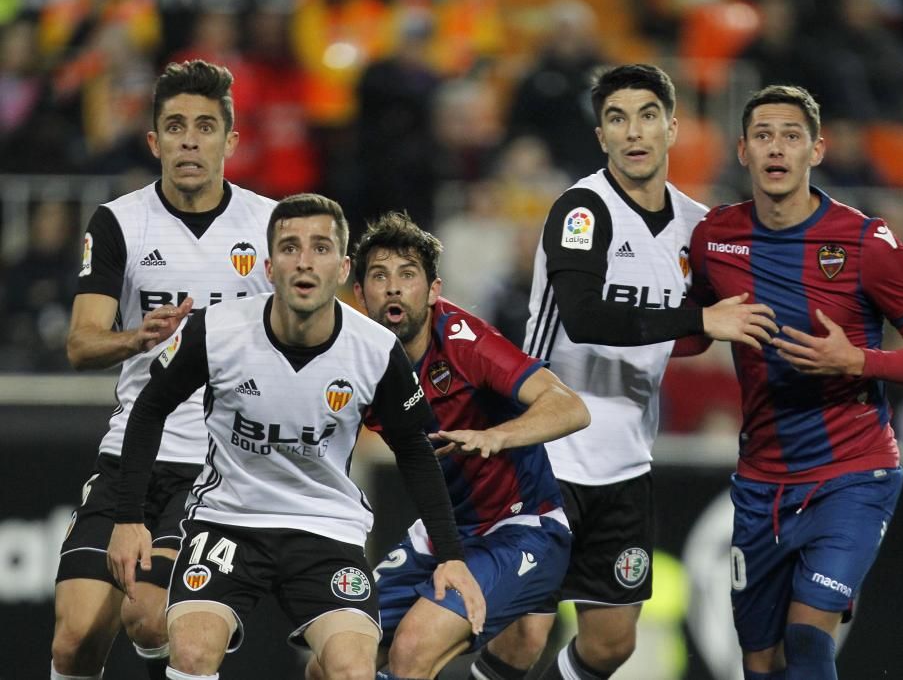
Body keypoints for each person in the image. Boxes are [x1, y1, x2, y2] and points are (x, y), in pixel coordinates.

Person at [106, 193, 486, 680]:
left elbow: (414, 449)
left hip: (324, 526)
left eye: (321, 247)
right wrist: (128, 517)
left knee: (352, 671)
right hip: (228, 520)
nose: (304, 261)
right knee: (193, 653)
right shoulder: (218, 330)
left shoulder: (374, 349)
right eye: (289, 247)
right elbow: (150, 408)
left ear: (344, 267)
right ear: (268, 266)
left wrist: (451, 557)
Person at [485, 63, 778, 680]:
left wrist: (711, 323)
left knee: (612, 643)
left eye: (647, 116)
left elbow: (694, 333)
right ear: (602, 137)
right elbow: (586, 316)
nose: (633, 132)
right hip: (546, 449)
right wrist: (698, 318)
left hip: (624, 461)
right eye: (617, 119)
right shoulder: (581, 210)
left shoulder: (697, 225)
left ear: (673, 127)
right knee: (524, 633)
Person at [687, 84, 903, 679]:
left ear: (817, 150)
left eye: (791, 135)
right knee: (759, 661)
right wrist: (690, 319)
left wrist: (858, 361)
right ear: (742, 151)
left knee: (808, 638)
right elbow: (690, 337)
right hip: (761, 482)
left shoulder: (866, 242)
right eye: (763, 136)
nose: (776, 148)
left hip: (854, 473)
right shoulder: (714, 237)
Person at [51, 60, 277, 680]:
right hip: (134, 450)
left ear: (230, 141)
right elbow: (80, 344)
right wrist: (136, 337)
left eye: (205, 126)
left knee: (151, 618)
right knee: (73, 638)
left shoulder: (270, 226)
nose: (189, 139)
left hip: (220, 463)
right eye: (174, 126)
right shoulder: (120, 222)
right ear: (153, 141)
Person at [325, 212, 589, 680]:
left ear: (432, 291)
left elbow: (569, 408)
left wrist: (495, 435)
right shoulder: (351, 358)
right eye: (379, 276)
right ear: (359, 294)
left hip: (521, 525)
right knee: (333, 663)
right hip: (441, 532)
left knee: (411, 653)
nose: (393, 289)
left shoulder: (466, 344)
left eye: (408, 275)